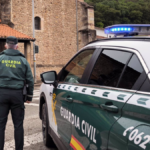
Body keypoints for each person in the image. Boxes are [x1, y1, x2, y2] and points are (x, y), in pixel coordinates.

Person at [0, 36, 34, 150]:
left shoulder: (0, 58)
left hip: (1, 94)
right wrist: (29, 96)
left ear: (6, 46)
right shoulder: (23, 60)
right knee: (18, 125)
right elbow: (30, 79)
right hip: (17, 95)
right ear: (17, 46)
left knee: (0, 125)